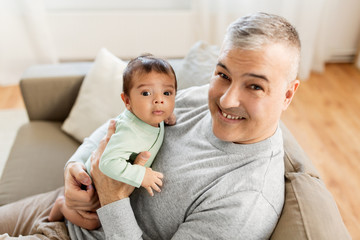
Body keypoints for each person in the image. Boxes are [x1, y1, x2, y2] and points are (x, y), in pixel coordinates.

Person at [0, 12, 300, 239]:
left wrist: (112, 197)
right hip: (63, 202)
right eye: (223, 75)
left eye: (255, 87)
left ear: (288, 94)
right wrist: (74, 168)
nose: (226, 99)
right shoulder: (199, 99)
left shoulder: (245, 203)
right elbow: (122, 124)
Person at [48, 54, 177, 230]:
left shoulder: (151, 115)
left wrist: (166, 116)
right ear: (127, 102)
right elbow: (108, 163)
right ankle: (62, 206)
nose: (159, 100)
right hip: (92, 191)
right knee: (93, 222)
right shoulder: (130, 133)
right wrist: (141, 176)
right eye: (146, 93)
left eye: (167, 93)